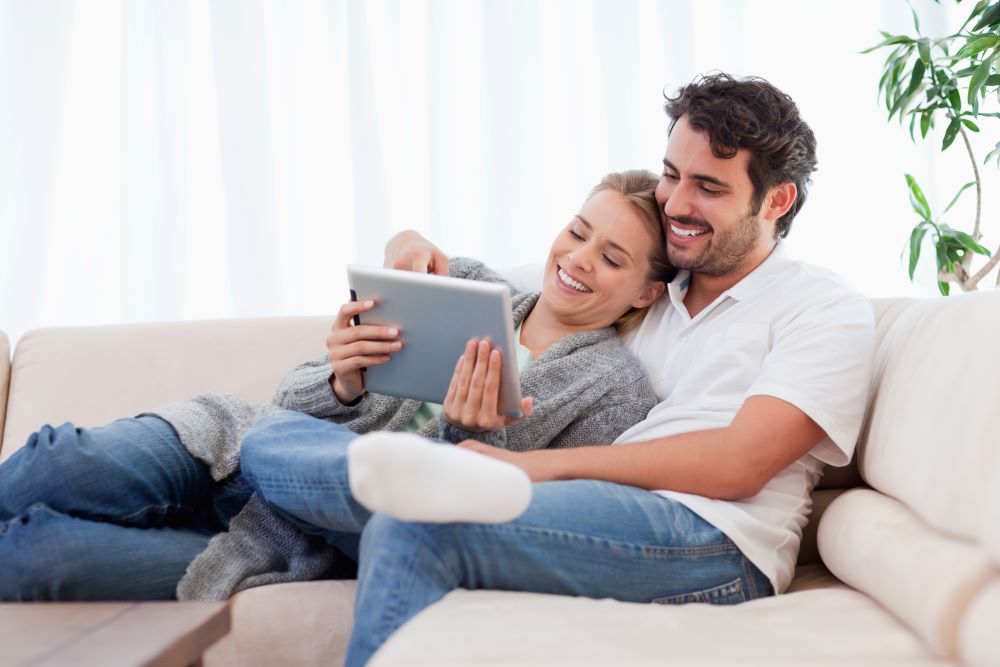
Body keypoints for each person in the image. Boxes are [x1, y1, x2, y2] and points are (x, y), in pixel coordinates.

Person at [237, 73, 876, 667]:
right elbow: (509, 280)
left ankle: (364, 480)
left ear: (777, 200)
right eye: (671, 174)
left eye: (708, 188)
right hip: (592, 509)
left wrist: (534, 467)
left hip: (714, 540)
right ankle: (339, 472)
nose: (676, 202)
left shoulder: (823, 308)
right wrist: (405, 243)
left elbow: (740, 464)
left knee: (418, 516)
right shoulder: (650, 281)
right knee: (282, 444)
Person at [0, 170, 672, 601]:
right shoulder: (468, 283)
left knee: (38, 556)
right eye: (578, 232)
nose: (578, 258)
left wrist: (468, 436)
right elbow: (292, 404)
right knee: (59, 456)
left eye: (611, 257)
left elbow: (526, 523)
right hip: (235, 444)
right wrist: (343, 378)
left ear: (647, 289)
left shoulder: (612, 391)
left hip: (301, 533)